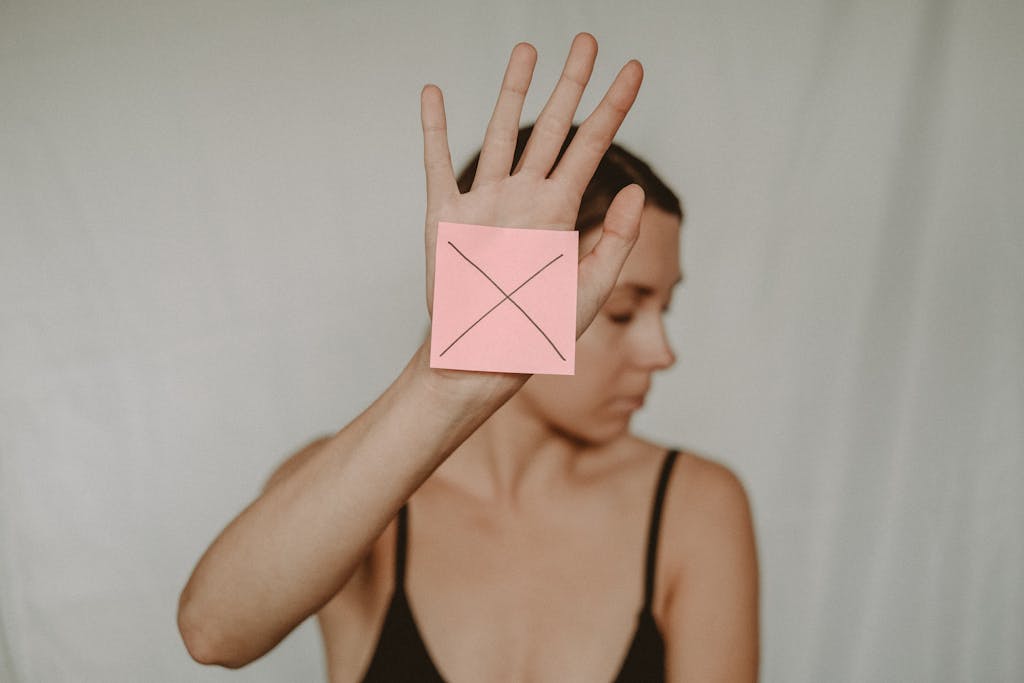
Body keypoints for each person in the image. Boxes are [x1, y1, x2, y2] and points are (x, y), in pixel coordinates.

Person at [177, 32, 759, 682]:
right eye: (623, 311)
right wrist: (446, 379)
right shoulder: (357, 495)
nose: (661, 351)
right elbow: (212, 630)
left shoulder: (694, 505)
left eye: (664, 309)